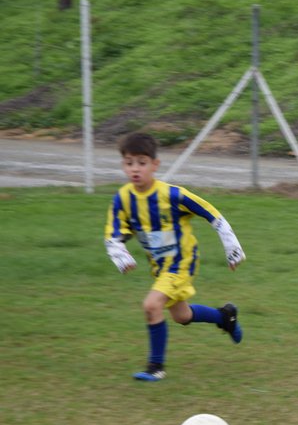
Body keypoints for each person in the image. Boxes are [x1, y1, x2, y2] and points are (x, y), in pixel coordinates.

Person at [104, 132, 246, 381]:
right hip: (159, 267)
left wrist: (231, 245)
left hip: (182, 262)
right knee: (182, 316)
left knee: (151, 305)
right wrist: (119, 253)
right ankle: (225, 317)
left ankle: (155, 367)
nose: (135, 169)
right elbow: (114, 233)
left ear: (155, 165)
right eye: (129, 163)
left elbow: (212, 214)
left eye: (141, 162)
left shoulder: (171, 195)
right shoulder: (123, 199)